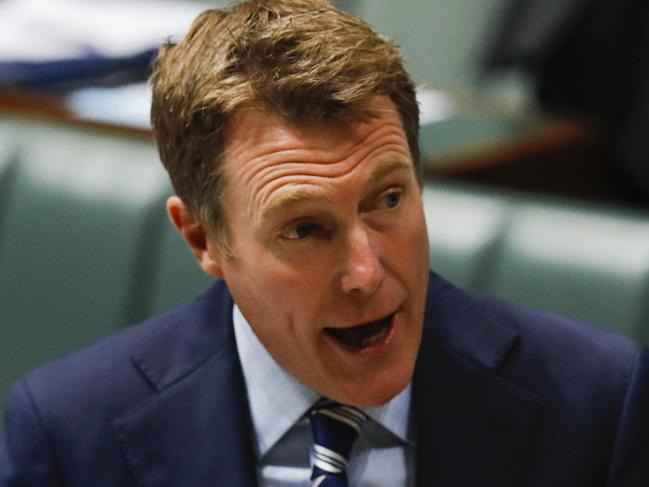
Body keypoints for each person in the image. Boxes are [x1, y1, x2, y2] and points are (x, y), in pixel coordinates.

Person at [1, 1, 648, 485]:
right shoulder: (69, 434)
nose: (366, 272)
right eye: (305, 228)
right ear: (203, 238)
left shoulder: (598, 404)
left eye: (387, 200)